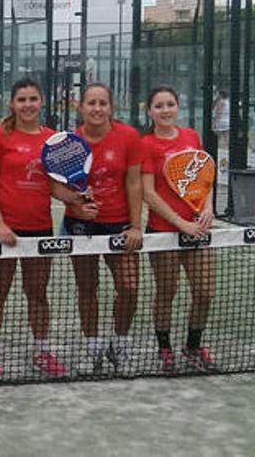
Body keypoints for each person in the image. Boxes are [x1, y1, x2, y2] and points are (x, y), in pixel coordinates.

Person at [0, 78, 95, 380]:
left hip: (40, 229)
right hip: (4, 231)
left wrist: (76, 198)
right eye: (22, 100)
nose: (27, 105)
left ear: (41, 102)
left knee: (37, 292)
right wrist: (0, 224)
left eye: (33, 99)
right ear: (12, 104)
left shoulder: (53, 140)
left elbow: (56, 189)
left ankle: (42, 351)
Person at [63, 83, 143, 376]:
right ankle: (92, 346)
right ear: (80, 107)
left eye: (103, 103)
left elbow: (134, 183)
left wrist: (135, 225)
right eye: (91, 103)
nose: (97, 109)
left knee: (129, 287)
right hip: (80, 225)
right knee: (87, 288)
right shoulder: (69, 142)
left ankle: (119, 344)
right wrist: (77, 204)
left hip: (119, 225)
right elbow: (62, 186)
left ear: (111, 108)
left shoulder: (129, 137)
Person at [141, 85, 216, 373]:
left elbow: (204, 175)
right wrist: (179, 223)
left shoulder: (191, 137)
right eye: (158, 106)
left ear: (178, 106)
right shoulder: (145, 145)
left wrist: (207, 208)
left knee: (205, 292)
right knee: (166, 291)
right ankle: (165, 347)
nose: (165, 110)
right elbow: (148, 193)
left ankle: (193, 345)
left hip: (197, 230)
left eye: (170, 104)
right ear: (150, 111)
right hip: (163, 231)